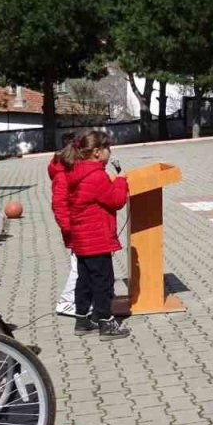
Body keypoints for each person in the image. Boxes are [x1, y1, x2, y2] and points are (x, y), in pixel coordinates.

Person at [65, 131, 130, 338]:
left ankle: (82, 320)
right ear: (96, 152)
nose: (110, 153)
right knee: (103, 281)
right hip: (97, 239)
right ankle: (106, 323)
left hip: (83, 239)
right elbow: (116, 200)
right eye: (107, 149)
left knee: (84, 280)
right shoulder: (96, 175)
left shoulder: (77, 172)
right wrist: (120, 180)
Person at [49, 133, 78, 317]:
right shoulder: (62, 175)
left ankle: (78, 298)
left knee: (81, 266)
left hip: (78, 226)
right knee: (79, 268)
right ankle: (66, 301)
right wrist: (69, 228)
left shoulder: (66, 171)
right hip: (75, 229)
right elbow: (59, 204)